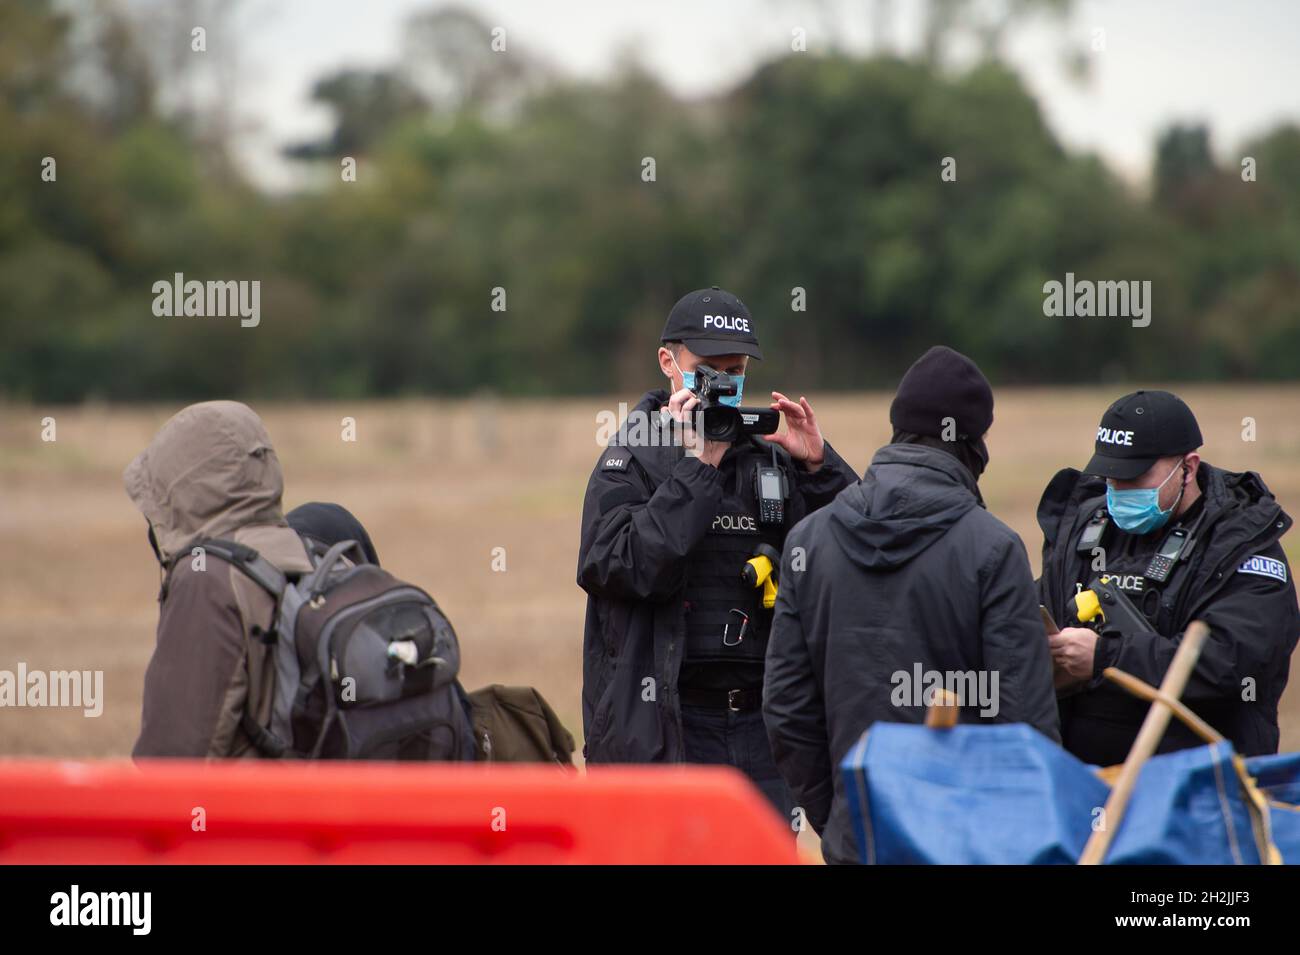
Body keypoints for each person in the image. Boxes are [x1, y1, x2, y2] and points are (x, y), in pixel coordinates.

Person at [763, 345, 1060, 864]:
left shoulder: (809, 541)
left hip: (857, 839)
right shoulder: (994, 548)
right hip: (969, 845)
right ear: (972, 443)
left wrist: (842, 820)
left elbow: (787, 708)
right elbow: (1026, 729)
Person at [577, 286, 856, 820]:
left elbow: (856, 555)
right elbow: (621, 566)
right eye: (707, 370)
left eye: (735, 370)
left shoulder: (769, 458)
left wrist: (821, 468)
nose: (722, 386)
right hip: (669, 727)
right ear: (669, 362)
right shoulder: (634, 454)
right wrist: (696, 468)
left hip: (762, 727)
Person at [1038, 389, 1299, 765]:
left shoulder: (1242, 542)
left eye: (1135, 477)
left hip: (1196, 788)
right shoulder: (1084, 526)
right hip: (1083, 786)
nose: (1118, 491)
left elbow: (1230, 662)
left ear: (1188, 468)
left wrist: (1106, 657)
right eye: (1111, 477)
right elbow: (1040, 605)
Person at [125, 401, 312, 758]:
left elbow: (174, 759)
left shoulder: (207, 580)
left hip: (249, 812)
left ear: (181, 491)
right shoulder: (308, 553)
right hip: (325, 807)